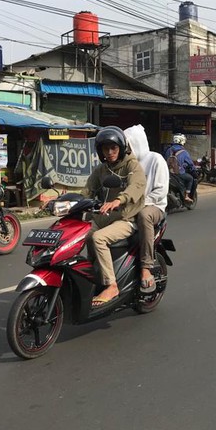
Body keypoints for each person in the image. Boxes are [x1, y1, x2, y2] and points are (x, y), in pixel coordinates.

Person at [83, 126, 147, 306]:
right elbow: (87, 190)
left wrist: (119, 200)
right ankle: (91, 271)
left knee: (98, 238)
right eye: (106, 149)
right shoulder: (101, 169)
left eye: (113, 148)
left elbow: (137, 185)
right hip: (104, 217)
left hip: (126, 218)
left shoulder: (131, 164)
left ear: (121, 148)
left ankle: (111, 285)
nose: (110, 152)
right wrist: (71, 202)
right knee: (82, 232)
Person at [123, 125, 168, 294]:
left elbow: (160, 191)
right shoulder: (128, 164)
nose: (127, 150)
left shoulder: (156, 159)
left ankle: (146, 266)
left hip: (154, 207)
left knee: (144, 216)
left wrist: (138, 204)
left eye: (129, 145)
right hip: (131, 206)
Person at [163, 133, 196, 203]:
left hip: (167, 173)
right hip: (178, 174)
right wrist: (194, 170)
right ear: (182, 141)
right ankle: (186, 196)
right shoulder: (184, 152)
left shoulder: (168, 150)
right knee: (190, 178)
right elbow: (191, 164)